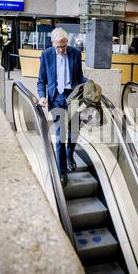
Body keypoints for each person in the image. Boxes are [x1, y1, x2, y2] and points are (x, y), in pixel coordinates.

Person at [37, 27, 87, 185]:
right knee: (61, 135)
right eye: (58, 46)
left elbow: (79, 76)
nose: (61, 49)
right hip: (56, 98)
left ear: (67, 42)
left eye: (63, 46)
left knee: (75, 131)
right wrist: (42, 96)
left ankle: (70, 154)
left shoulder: (75, 53)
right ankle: (62, 172)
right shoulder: (46, 55)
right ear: (52, 43)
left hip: (72, 96)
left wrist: (90, 83)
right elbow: (41, 80)